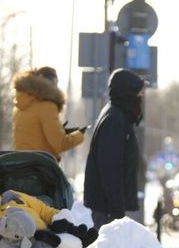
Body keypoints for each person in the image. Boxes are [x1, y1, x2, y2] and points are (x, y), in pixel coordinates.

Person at [84, 69, 145, 229]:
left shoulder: (117, 116)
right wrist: (117, 210)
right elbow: (110, 168)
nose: (141, 97)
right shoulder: (115, 120)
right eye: (138, 93)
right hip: (107, 208)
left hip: (108, 206)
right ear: (127, 94)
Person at [11, 66, 86, 160]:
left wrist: (61, 130)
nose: (56, 88)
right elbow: (60, 144)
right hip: (41, 167)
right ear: (42, 79)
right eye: (55, 83)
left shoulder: (19, 107)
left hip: (20, 164)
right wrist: (80, 135)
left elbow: (32, 137)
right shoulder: (47, 106)